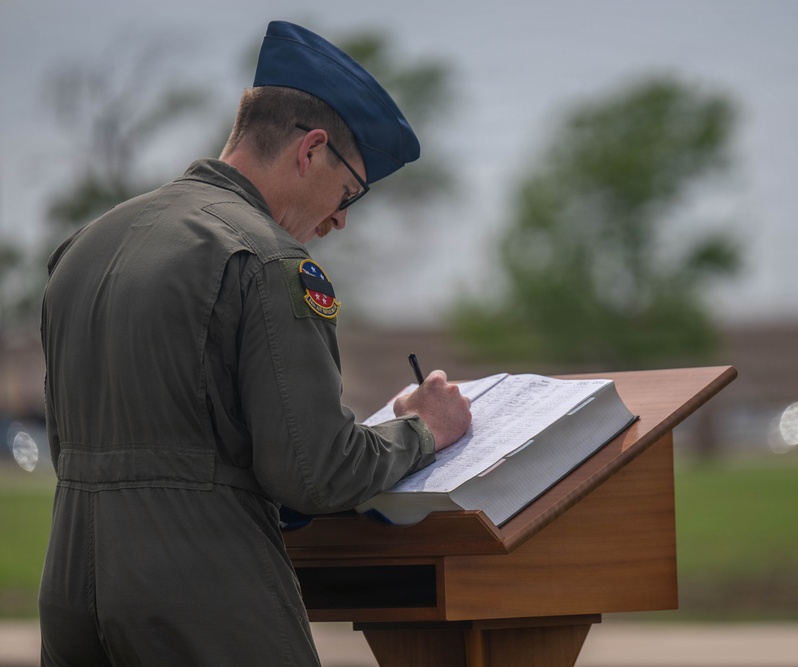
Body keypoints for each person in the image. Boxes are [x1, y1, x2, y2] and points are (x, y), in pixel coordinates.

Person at [37, 20, 472, 667]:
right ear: (311, 150)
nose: (340, 217)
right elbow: (314, 469)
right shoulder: (268, 259)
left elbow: (68, 443)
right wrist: (421, 430)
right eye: (348, 191)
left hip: (70, 585)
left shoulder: (84, 245)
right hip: (201, 591)